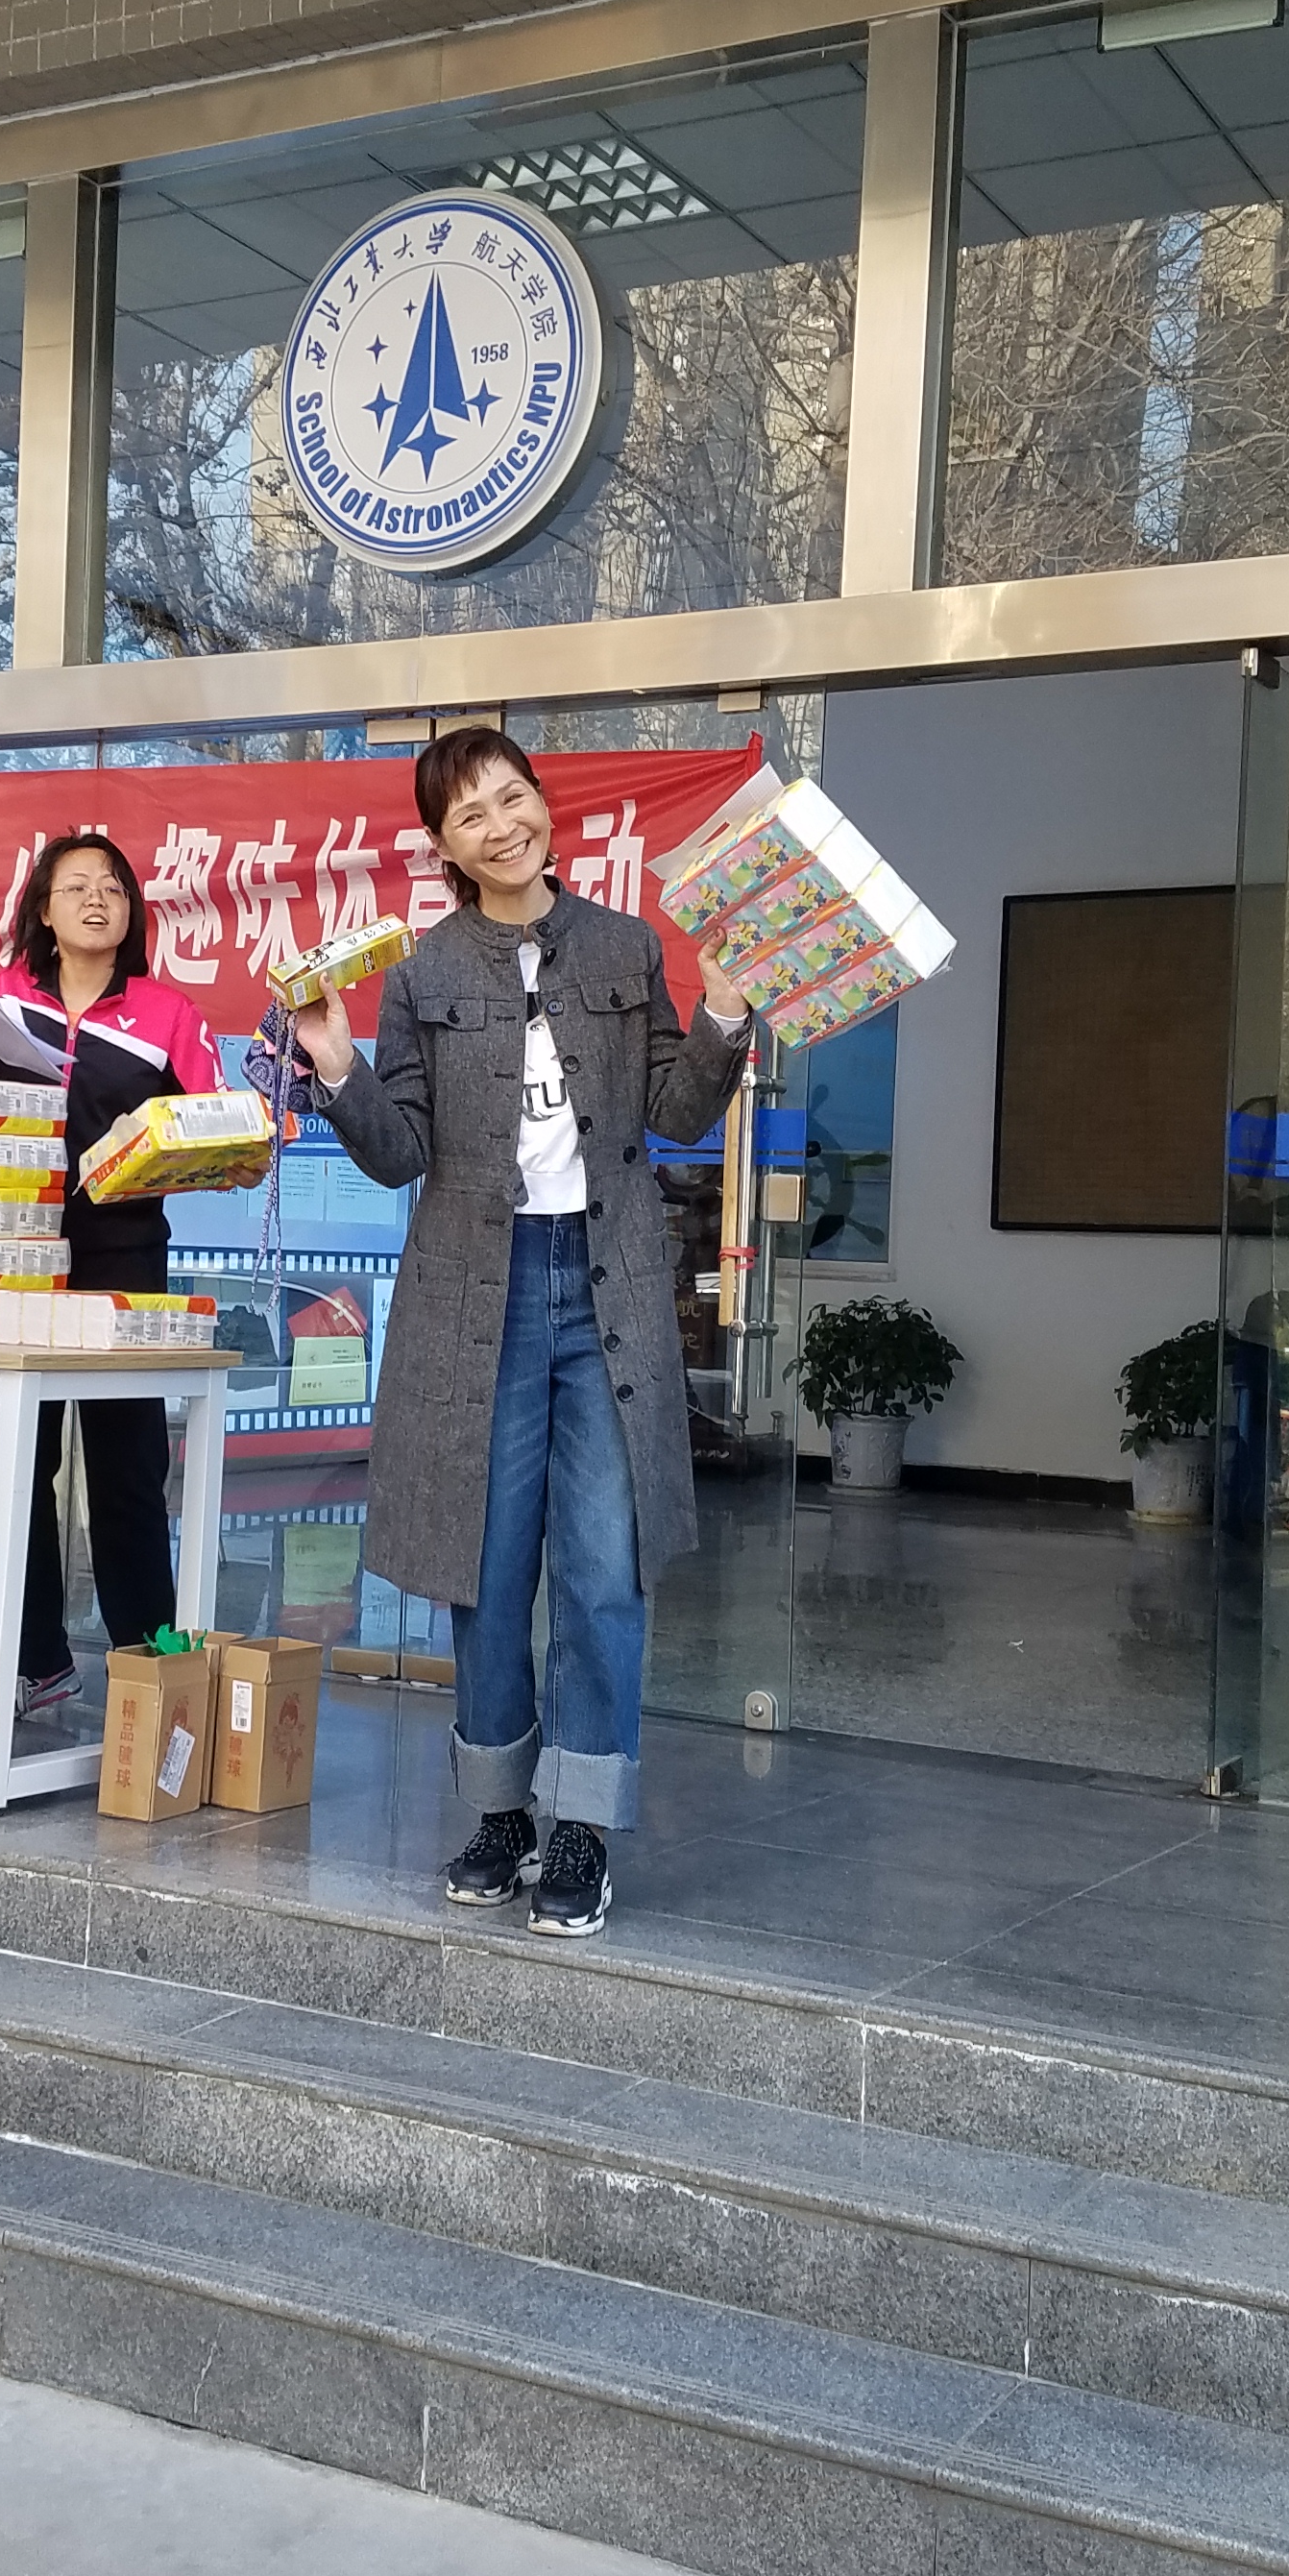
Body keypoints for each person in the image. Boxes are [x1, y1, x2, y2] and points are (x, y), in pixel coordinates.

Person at [293, 732, 749, 1936]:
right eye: (470, 816)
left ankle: (582, 1824)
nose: (501, 827)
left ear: (545, 805)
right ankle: (501, 1809)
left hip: (607, 1295)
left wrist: (727, 1011)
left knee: (602, 1571)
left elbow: (676, 1109)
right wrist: (338, 1067)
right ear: (441, 845)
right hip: (473, 1302)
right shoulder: (423, 973)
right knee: (484, 1572)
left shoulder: (625, 946)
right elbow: (401, 1152)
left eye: (513, 799)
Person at [0, 834, 219, 1706]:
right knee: (18, 1466)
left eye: (114, 889)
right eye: (77, 887)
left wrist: (164, 1153)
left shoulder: (170, 1015)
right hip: (9, 1255)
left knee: (127, 1471)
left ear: (132, 912)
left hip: (122, 1261)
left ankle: (147, 1668)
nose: (97, 900)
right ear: (44, 912)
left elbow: (213, 1126)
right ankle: (36, 1661)